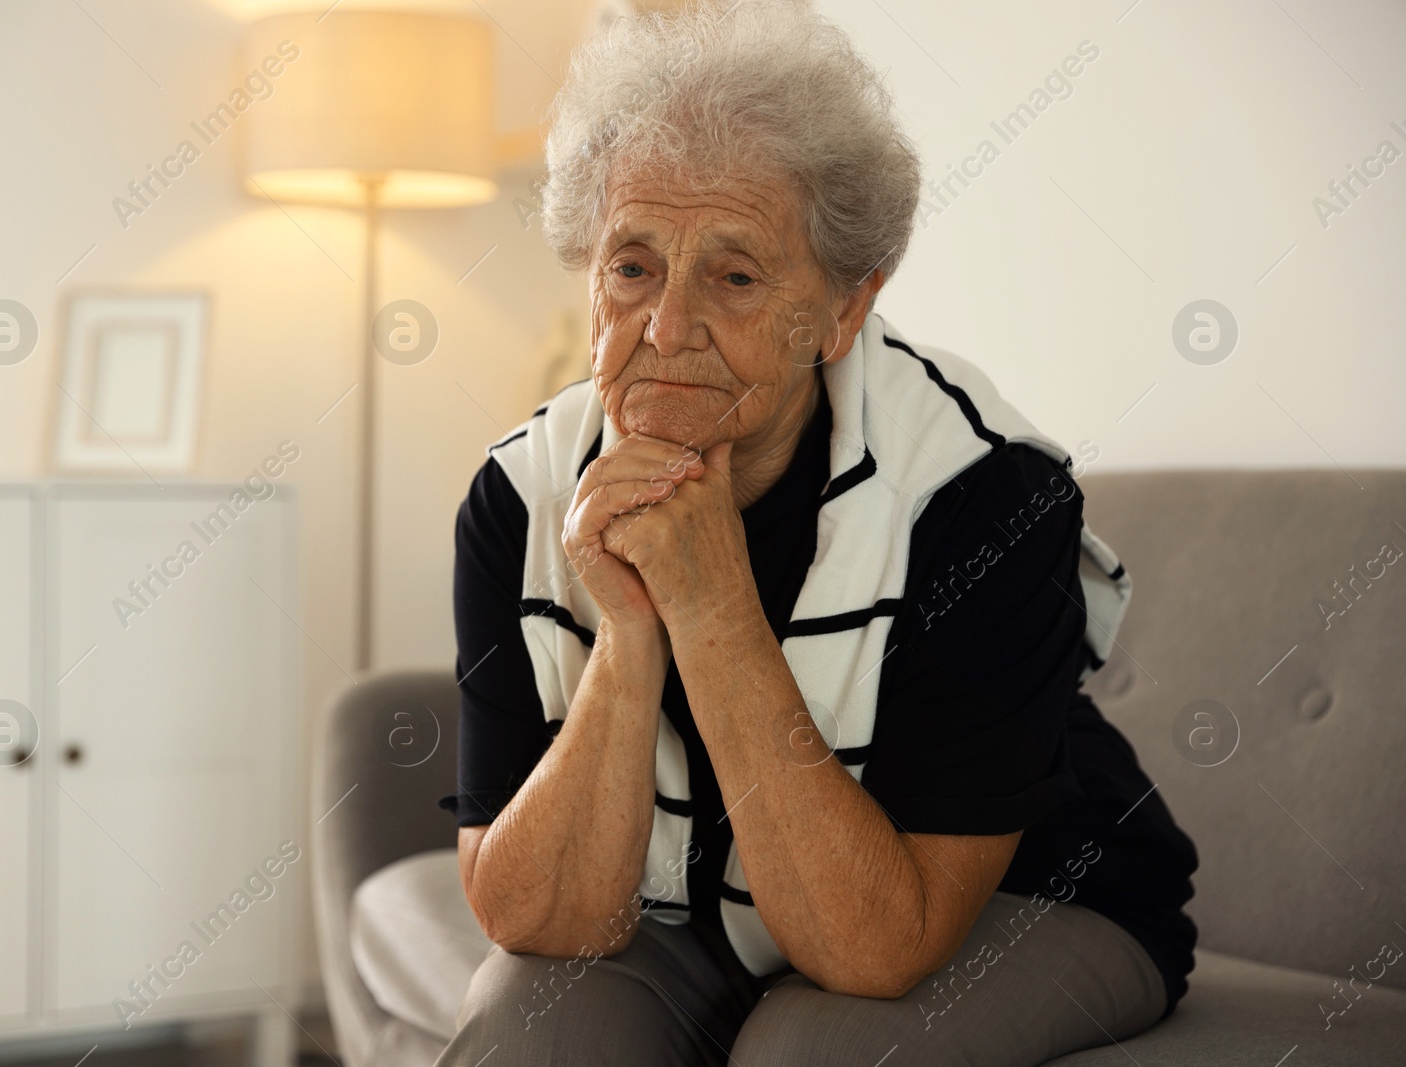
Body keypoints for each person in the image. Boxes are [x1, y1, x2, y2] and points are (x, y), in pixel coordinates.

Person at [436, 2, 1197, 1063]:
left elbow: (880, 945)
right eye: (632, 264)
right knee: (532, 1020)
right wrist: (629, 632)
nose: (665, 326)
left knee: (815, 1046)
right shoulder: (521, 494)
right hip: (707, 904)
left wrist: (709, 603)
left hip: (1029, 893)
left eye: (735, 275)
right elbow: (536, 919)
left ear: (845, 307)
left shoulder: (982, 497)